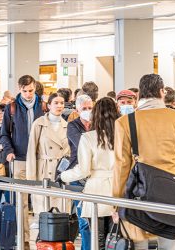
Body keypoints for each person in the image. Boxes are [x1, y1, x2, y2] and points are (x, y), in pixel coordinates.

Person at [113, 74, 175, 250]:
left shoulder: (125, 122)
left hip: (138, 192)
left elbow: (121, 166)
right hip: (173, 193)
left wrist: (117, 202)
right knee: (169, 243)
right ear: (161, 92)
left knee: (138, 243)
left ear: (140, 93)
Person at [60, 97, 119, 250]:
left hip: (96, 191)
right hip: (119, 191)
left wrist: (63, 176)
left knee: (97, 241)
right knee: (116, 239)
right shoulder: (124, 136)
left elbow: (83, 169)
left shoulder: (89, 137)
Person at [0, 75, 46, 248]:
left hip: (40, 160)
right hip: (19, 159)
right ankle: (24, 239)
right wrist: (9, 151)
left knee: (42, 200)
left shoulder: (43, 106)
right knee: (22, 202)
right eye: (24, 91)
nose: (28, 94)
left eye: (31, 90)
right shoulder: (11, 108)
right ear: (19, 89)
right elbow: (4, 133)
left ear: (35, 88)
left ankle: (43, 237)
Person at [26, 93, 70, 216]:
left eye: (62, 103)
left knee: (61, 213)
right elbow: (31, 152)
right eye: (56, 103)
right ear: (49, 105)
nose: (59, 106)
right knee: (44, 211)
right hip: (43, 171)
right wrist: (31, 178)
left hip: (61, 172)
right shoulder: (39, 123)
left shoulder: (67, 126)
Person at [65, 94, 94, 250]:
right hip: (78, 175)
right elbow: (82, 145)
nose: (88, 111)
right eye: (84, 108)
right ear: (77, 109)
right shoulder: (73, 126)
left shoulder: (97, 124)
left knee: (96, 218)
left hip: (94, 175)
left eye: (90, 108)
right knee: (84, 219)